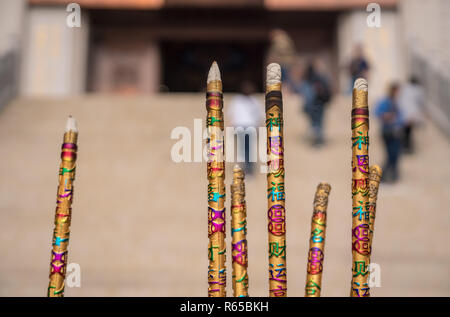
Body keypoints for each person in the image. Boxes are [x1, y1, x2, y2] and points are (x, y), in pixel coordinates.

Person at [228, 81, 264, 175]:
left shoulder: (254, 101)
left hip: (250, 127)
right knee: (244, 149)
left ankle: (249, 168)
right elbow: (232, 115)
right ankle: (246, 167)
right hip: (241, 127)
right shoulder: (237, 100)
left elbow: (259, 116)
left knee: (249, 149)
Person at [294, 61, 331, 146]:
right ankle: (318, 139)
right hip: (318, 104)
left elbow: (307, 95)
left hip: (315, 105)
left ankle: (317, 139)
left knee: (316, 123)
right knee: (318, 123)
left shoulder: (309, 80)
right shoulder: (319, 78)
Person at [375, 83, 404, 183]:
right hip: (387, 131)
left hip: (396, 131)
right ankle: (383, 176)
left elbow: (400, 117)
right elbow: (378, 113)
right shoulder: (385, 101)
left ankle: (393, 175)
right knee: (390, 154)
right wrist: (387, 116)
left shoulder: (396, 102)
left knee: (395, 155)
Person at [397, 76, 425, 154]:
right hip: (412, 113)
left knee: (405, 130)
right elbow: (420, 102)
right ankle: (407, 147)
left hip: (403, 111)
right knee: (408, 131)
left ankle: (405, 146)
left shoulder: (404, 88)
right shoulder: (419, 90)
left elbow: (399, 99)